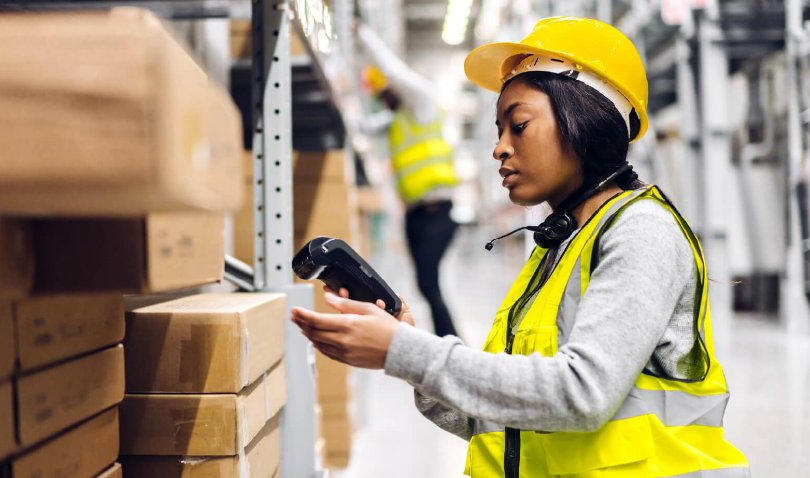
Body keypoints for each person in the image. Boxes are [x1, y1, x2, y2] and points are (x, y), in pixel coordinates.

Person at [293, 16, 750, 477]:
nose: (499, 148)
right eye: (498, 130)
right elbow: (500, 420)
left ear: (585, 121)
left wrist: (402, 351)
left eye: (519, 125)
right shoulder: (557, 249)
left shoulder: (640, 232)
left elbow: (581, 394)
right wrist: (406, 345)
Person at [355, 22, 461, 338]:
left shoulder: (421, 102)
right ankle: (448, 341)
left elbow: (392, 69)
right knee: (425, 283)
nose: (383, 100)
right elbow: (362, 125)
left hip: (435, 210)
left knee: (429, 283)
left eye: (385, 92)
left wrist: (362, 32)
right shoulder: (396, 117)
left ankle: (451, 343)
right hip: (416, 214)